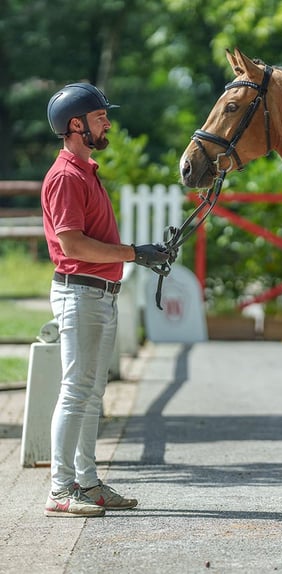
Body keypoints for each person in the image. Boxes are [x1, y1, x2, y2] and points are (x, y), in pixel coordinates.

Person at [42, 83, 171, 517]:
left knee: (91, 394)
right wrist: (135, 253)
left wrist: (139, 254)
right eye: (100, 117)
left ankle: (88, 483)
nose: (107, 123)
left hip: (98, 295)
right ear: (75, 125)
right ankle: (61, 490)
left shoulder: (86, 170)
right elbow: (74, 245)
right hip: (81, 294)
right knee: (77, 392)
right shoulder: (65, 177)